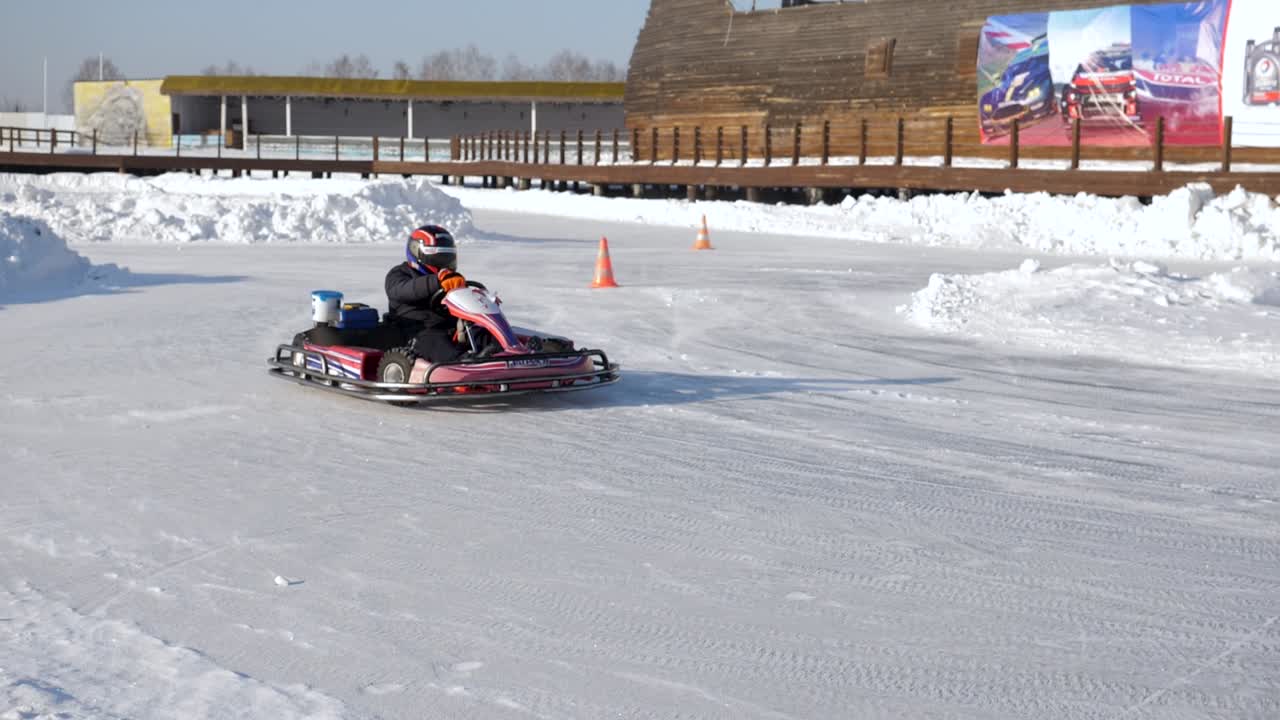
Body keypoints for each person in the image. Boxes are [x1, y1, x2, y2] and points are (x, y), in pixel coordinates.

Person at [385, 224, 495, 362]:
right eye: (438, 259)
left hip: (450, 327)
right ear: (417, 252)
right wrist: (436, 281)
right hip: (415, 332)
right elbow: (402, 290)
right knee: (435, 341)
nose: (444, 265)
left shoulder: (449, 278)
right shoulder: (398, 274)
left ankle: (507, 354)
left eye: (447, 259)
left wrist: (482, 301)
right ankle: (462, 364)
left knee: (480, 331)